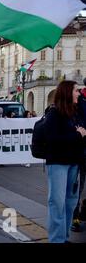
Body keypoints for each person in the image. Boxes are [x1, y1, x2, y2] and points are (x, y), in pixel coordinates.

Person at [44, 80, 86, 243]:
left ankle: (64, 237)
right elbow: (52, 139)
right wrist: (77, 135)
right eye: (76, 91)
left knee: (70, 203)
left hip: (74, 163)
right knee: (57, 202)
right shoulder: (54, 113)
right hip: (58, 163)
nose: (79, 93)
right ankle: (56, 239)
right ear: (68, 92)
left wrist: (80, 134)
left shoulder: (75, 112)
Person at [71, 83, 86, 232]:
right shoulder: (79, 101)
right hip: (81, 150)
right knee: (78, 186)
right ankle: (74, 217)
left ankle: (83, 212)